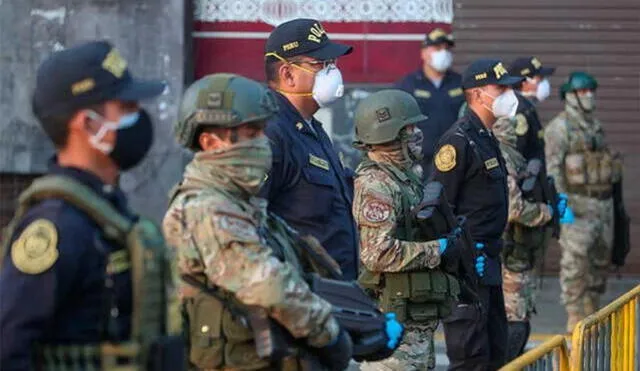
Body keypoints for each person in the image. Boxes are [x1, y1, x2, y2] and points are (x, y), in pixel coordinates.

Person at [0, 41, 180, 370]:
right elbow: (8, 344)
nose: (139, 116)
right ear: (87, 123)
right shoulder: (58, 225)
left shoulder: (107, 211)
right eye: (126, 106)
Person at [163, 73, 353, 371]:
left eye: (263, 132)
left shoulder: (243, 203)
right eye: (251, 133)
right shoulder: (206, 208)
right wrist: (329, 333)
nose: (263, 143)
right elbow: (267, 285)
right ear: (211, 142)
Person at [352, 89, 464, 370]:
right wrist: (436, 249)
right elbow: (377, 253)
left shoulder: (405, 177)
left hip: (416, 323)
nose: (417, 134)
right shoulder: (376, 184)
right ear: (390, 134)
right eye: (409, 128)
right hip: (395, 324)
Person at [430, 59, 523, 370]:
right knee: (471, 358)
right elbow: (439, 209)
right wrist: (457, 259)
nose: (510, 94)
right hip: (468, 268)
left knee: (495, 352)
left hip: (490, 262)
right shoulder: (458, 141)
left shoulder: (485, 136)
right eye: (502, 88)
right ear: (479, 94)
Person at [260, 18, 359, 280]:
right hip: (303, 296)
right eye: (320, 65)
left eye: (332, 64)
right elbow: (250, 225)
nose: (332, 72)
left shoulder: (311, 128)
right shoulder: (270, 133)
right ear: (288, 74)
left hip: (335, 293)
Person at [544, 71, 621, 332]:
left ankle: (592, 307)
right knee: (575, 263)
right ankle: (575, 314)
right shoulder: (559, 128)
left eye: (591, 91)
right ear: (571, 96)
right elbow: (553, 170)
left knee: (600, 260)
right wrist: (561, 204)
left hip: (602, 204)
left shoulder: (594, 125)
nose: (589, 95)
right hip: (578, 205)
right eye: (583, 91)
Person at [491, 117, 554, 361]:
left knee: (519, 316)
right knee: (514, 318)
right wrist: (545, 213)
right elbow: (513, 209)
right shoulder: (502, 157)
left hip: (515, 250)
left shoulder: (509, 154)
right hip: (507, 251)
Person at [395, 28, 464, 174]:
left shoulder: (460, 83)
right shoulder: (409, 84)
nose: (443, 53)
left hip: (455, 159)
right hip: (420, 162)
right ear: (424, 53)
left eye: (446, 49)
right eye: (437, 48)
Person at [508, 57, 556, 165]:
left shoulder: (527, 107)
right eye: (540, 79)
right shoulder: (519, 111)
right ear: (524, 83)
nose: (544, 83)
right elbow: (517, 153)